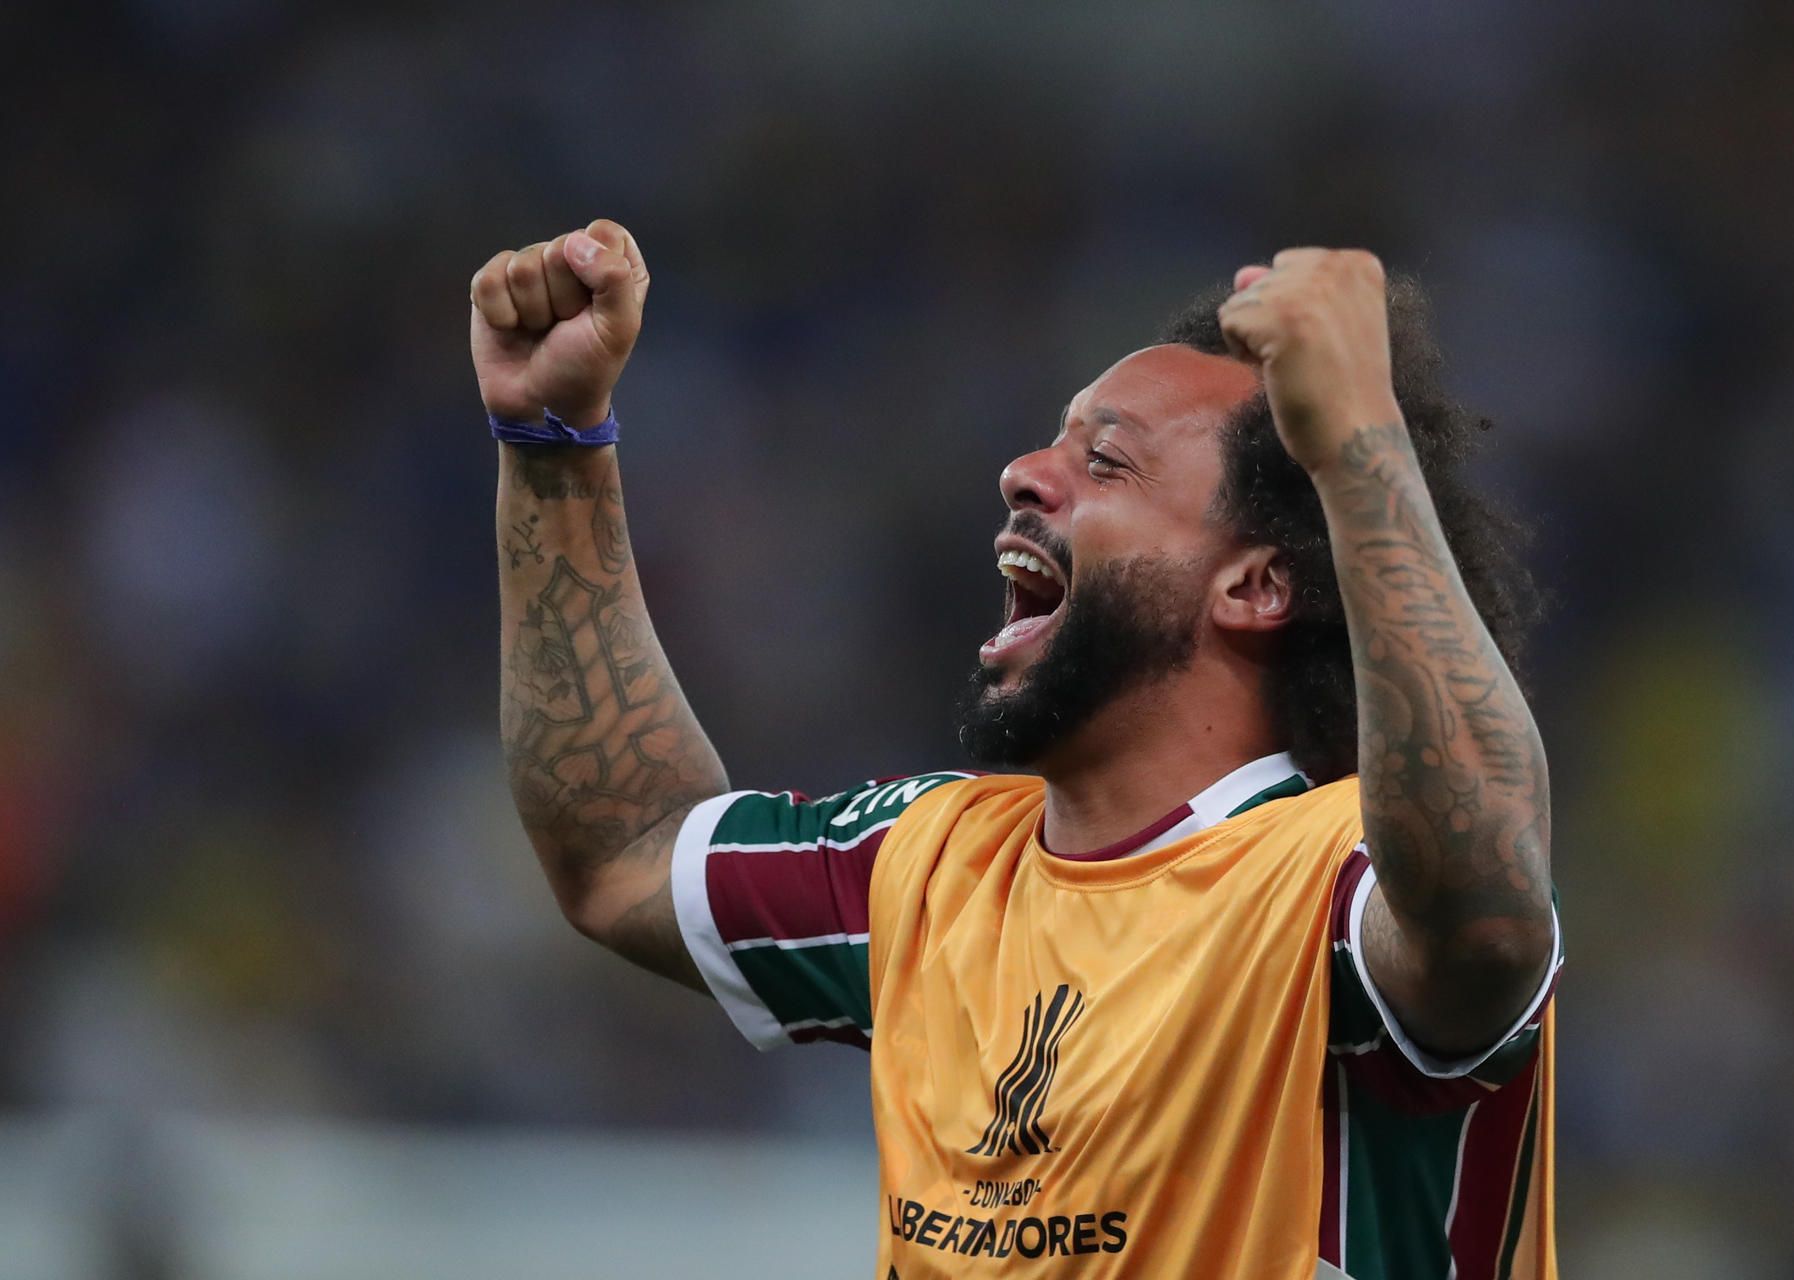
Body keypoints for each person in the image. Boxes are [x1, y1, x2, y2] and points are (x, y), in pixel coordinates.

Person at [470, 219, 1560, 1279]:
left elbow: (1491, 902)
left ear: (1256, 584)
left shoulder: (1335, 887)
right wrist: (554, 442)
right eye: (1052, 437)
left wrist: (1358, 444)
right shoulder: (928, 866)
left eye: (1107, 460)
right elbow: (623, 846)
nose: (1024, 472)